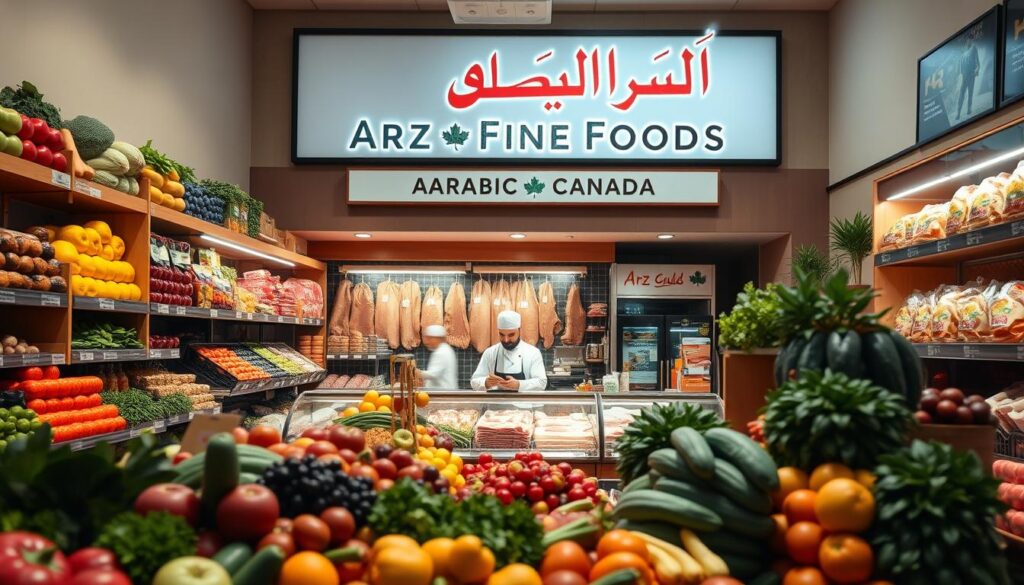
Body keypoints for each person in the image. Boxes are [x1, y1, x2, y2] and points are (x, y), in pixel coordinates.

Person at [470, 310, 547, 392]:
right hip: (495, 400)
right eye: (502, 335)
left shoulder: (533, 353)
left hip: (523, 400)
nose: (506, 340)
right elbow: (474, 381)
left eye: (511, 335)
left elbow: (542, 383)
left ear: (519, 330)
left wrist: (519, 385)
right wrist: (485, 382)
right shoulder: (490, 353)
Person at [420, 325, 458, 390]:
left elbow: (433, 374)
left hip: (444, 392)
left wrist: (417, 373)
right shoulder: (444, 349)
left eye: (430, 338)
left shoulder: (442, 351)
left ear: (437, 338)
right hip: (442, 391)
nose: (426, 342)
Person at [957, 37, 980, 120]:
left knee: (970, 92)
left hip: (971, 75)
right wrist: (960, 74)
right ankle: (958, 112)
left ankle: (969, 109)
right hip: (964, 76)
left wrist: (977, 69)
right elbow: (960, 65)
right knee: (961, 94)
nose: (968, 41)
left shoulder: (974, 48)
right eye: (967, 40)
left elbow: (978, 62)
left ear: (971, 41)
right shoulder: (963, 52)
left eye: (970, 40)